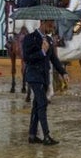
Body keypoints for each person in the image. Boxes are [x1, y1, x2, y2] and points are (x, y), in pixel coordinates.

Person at [23, 18, 66, 146]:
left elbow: (53, 59)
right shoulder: (30, 38)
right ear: (42, 23)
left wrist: (63, 72)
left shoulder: (49, 39)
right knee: (42, 104)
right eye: (50, 25)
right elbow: (27, 58)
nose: (52, 28)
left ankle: (32, 135)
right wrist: (42, 52)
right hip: (34, 76)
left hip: (44, 77)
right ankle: (46, 136)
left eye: (52, 25)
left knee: (37, 105)